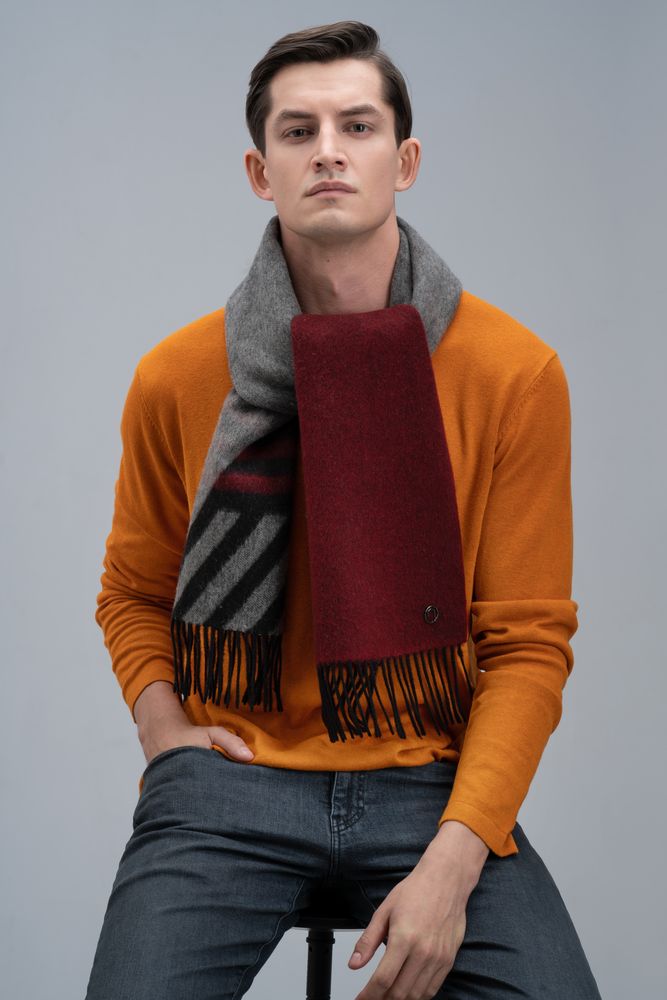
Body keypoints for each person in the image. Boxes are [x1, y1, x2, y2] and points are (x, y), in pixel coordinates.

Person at [85, 19, 602, 1000]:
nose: (328, 150)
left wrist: (453, 862)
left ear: (403, 162)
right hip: (229, 785)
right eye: (298, 130)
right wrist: (163, 734)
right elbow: (131, 590)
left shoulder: (512, 373)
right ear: (260, 171)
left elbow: (527, 642)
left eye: (357, 126)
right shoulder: (177, 377)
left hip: (430, 783)